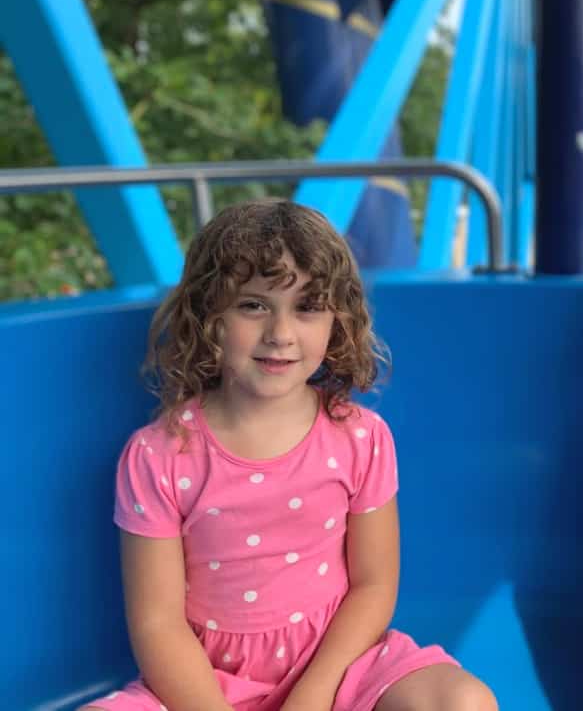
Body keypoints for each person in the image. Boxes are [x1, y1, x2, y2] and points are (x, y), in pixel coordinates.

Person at [82, 199, 496, 711]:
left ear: (336, 320)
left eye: (307, 307)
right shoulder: (158, 454)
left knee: (464, 702)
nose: (280, 334)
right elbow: (157, 621)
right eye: (254, 305)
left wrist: (313, 696)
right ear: (211, 312)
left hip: (340, 669)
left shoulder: (361, 437)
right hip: (204, 685)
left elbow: (373, 584)